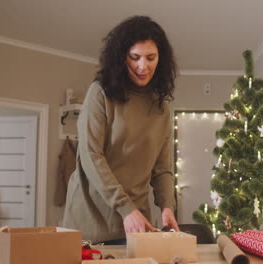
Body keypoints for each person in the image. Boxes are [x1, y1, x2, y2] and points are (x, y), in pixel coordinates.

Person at [63, 15, 179, 244]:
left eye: (151, 57)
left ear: (161, 59)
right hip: (90, 220)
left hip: (136, 224)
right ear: (121, 57)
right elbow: (91, 156)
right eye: (134, 57)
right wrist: (125, 207)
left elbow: (163, 168)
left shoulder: (162, 108)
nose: (143, 66)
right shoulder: (100, 93)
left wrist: (167, 206)